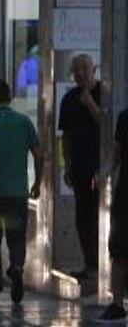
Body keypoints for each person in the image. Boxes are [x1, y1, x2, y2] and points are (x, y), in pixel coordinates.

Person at [0, 80, 44, 305]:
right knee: (16, 237)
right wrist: (37, 183)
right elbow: (39, 154)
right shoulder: (23, 122)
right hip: (17, 194)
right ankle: (17, 267)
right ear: (10, 97)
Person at [59, 54, 105, 280]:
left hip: (101, 170)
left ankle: (105, 265)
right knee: (83, 219)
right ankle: (90, 264)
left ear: (93, 70)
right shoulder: (68, 99)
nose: (80, 74)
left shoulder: (105, 94)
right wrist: (66, 165)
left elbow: (108, 127)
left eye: (84, 69)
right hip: (79, 169)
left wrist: (89, 103)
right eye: (75, 70)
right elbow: (65, 136)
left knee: (101, 218)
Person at [96, 108, 128, 322]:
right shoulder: (125, 117)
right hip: (126, 193)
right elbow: (116, 151)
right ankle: (117, 304)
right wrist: (104, 172)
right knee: (119, 248)